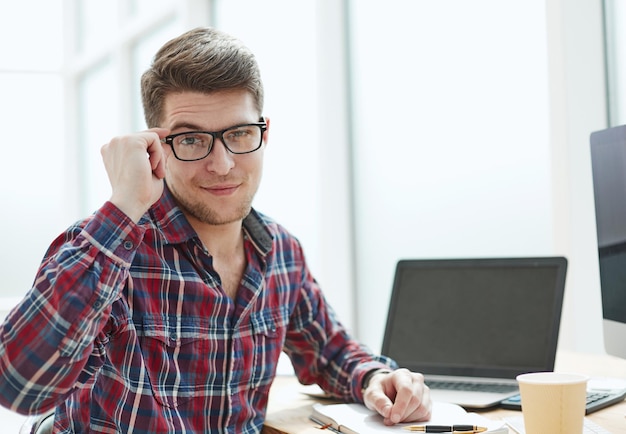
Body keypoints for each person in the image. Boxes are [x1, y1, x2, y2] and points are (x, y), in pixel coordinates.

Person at [0, 27, 431, 433]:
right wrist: (124, 206)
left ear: (264, 133)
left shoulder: (280, 252)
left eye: (240, 133)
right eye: (191, 140)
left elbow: (330, 351)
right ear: (155, 146)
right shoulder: (106, 247)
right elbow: (19, 386)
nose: (222, 165)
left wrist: (377, 377)